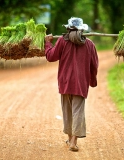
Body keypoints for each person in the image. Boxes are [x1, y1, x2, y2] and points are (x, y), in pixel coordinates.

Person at [45, 17, 99, 152]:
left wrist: (47, 43)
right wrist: (92, 81)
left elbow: (51, 56)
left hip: (65, 82)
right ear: (81, 30)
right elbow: (94, 65)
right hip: (81, 83)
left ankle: (70, 139)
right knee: (78, 111)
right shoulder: (90, 44)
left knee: (67, 111)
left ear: (68, 29)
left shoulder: (62, 41)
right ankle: (73, 141)